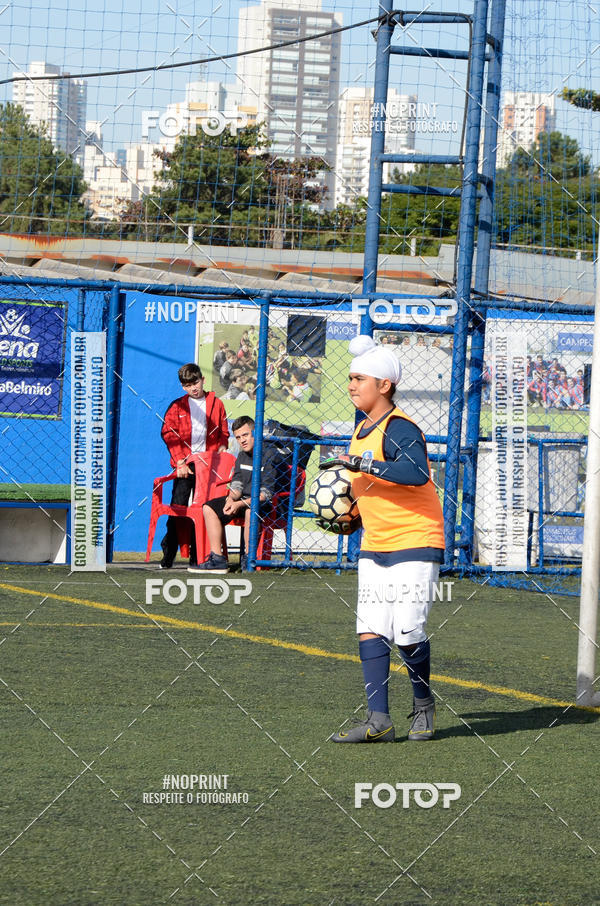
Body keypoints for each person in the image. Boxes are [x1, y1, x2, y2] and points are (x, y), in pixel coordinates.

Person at [320, 335, 444, 743]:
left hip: (415, 540)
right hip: (376, 545)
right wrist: (348, 517)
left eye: (359, 378)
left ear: (384, 385)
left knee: (407, 630)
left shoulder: (400, 427)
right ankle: (380, 722)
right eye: (350, 378)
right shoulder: (361, 429)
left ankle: (423, 707)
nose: (352, 385)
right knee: (371, 628)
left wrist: (358, 463)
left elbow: (415, 475)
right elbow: (371, 489)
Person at [190, 415, 284, 573]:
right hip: (240, 501)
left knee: (249, 511)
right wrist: (230, 499)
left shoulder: (270, 456)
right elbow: (237, 485)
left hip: (264, 505)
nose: (242, 440)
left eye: (245, 435)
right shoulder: (241, 456)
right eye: (238, 437)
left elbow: (265, 494)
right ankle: (218, 560)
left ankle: (249, 558)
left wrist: (239, 504)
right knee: (208, 507)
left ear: (255, 433)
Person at [159, 363, 229, 569]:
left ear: (203, 380)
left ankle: (198, 555)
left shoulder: (217, 404)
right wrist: (180, 461)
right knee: (178, 506)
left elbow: (223, 432)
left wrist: (222, 449)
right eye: (188, 385)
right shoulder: (176, 406)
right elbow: (168, 434)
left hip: (208, 466)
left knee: (204, 509)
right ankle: (169, 550)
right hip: (186, 464)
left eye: (195, 383)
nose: (193, 388)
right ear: (183, 387)